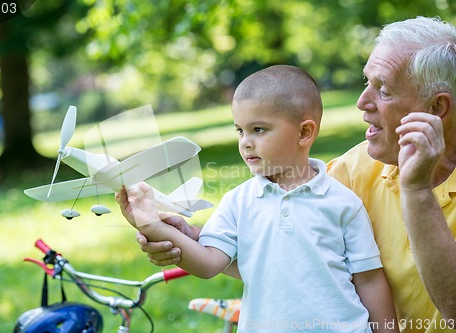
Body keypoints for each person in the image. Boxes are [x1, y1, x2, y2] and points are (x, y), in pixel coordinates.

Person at [133, 16, 456, 332]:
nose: (361, 102)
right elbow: (299, 250)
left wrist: (416, 191)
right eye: (365, 82)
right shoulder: (352, 171)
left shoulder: (344, 198)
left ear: (437, 107)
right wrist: (192, 239)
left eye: (383, 89)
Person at [118, 65, 398, 332]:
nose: (245, 142)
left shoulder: (342, 203)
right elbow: (208, 262)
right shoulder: (238, 201)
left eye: (258, 130)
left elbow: (369, 280)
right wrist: (153, 226)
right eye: (240, 130)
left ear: (304, 132)